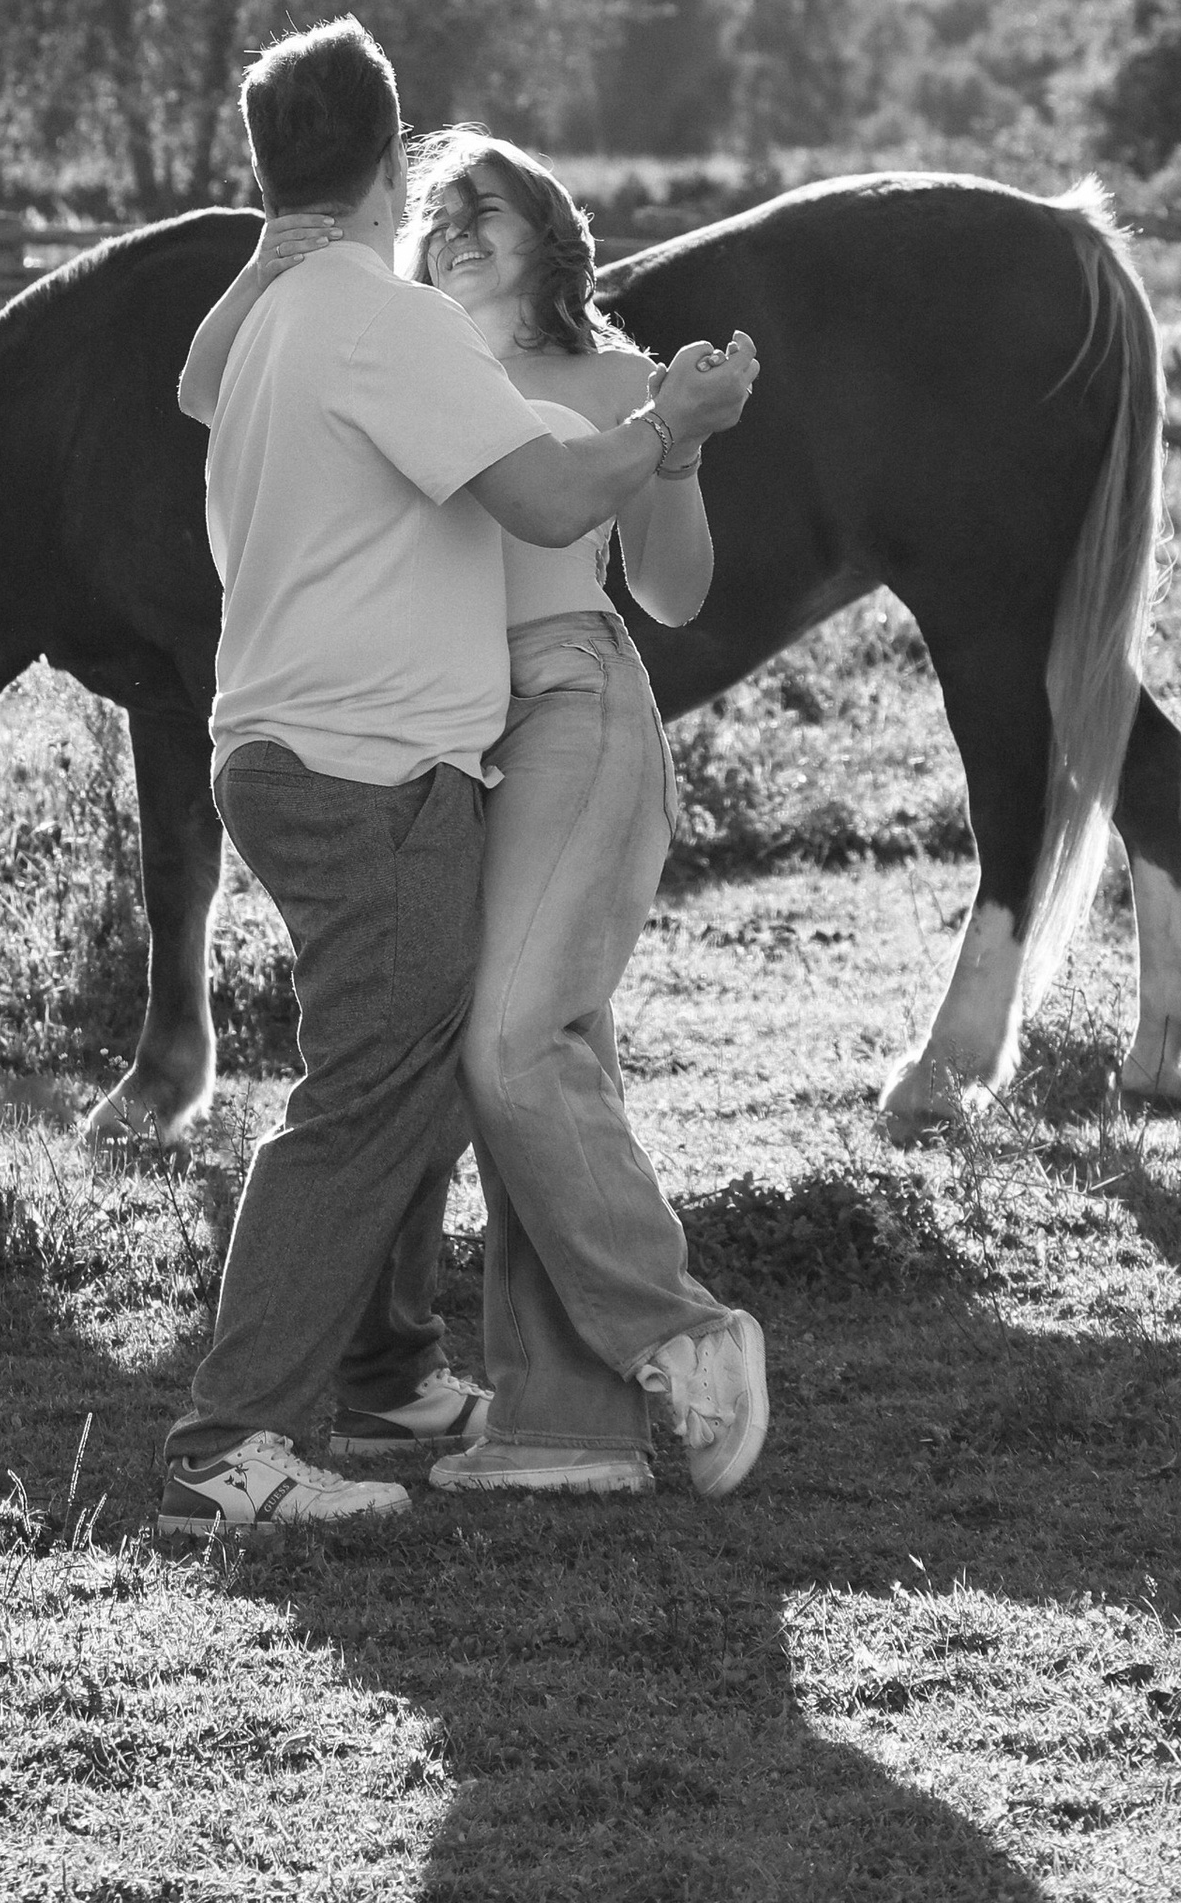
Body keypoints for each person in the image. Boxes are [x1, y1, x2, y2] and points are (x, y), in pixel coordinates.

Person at [156, 18, 743, 1545]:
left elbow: (196, 381)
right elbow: (546, 494)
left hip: (336, 743)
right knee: (385, 1086)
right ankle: (239, 1442)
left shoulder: (289, 321)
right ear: (391, 158)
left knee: (438, 1064)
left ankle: (407, 1384)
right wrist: (668, 427)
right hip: (371, 762)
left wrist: (271, 239)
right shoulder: (384, 322)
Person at [404, 129, 766, 1501]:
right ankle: (568, 1428)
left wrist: (674, 448)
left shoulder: (621, 384)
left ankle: (683, 1332)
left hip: (571, 697)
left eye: (482, 207)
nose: (453, 227)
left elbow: (673, 595)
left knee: (510, 1044)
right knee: (542, 1061)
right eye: (437, 211)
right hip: (448, 732)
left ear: (547, 232)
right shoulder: (409, 366)